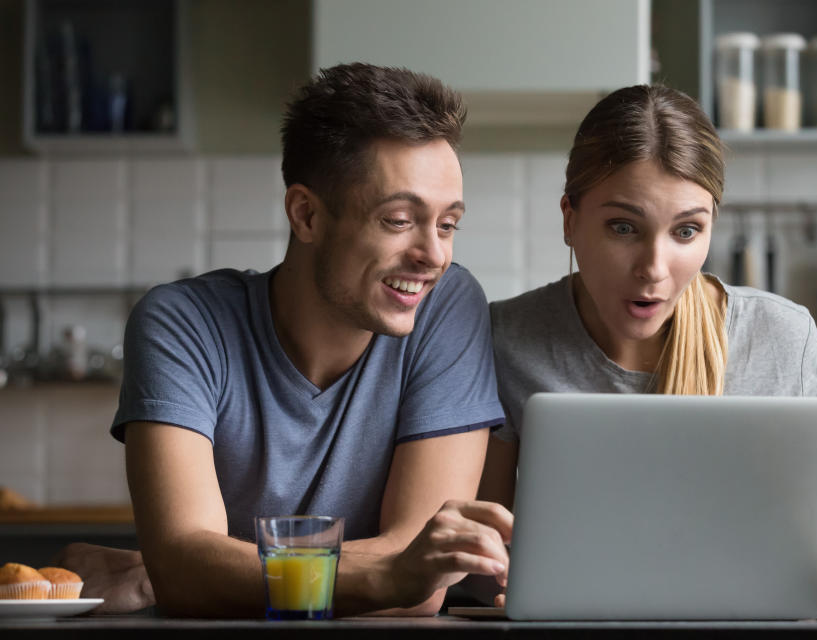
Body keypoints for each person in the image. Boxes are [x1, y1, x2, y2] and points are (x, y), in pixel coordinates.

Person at [55, 63, 513, 617]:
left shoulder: (447, 308)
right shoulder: (181, 323)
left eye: (446, 224)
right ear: (306, 214)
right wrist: (389, 571)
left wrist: (194, 575)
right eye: (398, 220)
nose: (434, 255)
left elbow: (422, 590)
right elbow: (185, 567)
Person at [477, 84, 817, 611]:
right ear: (570, 218)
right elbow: (481, 544)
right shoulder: (506, 339)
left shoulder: (783, 337)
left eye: (686, 231)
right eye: (623, 227)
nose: (654, 269)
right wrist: (505, 585)